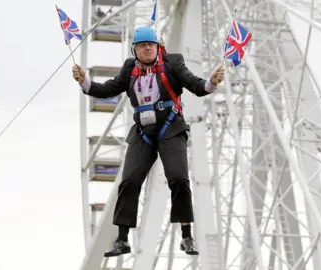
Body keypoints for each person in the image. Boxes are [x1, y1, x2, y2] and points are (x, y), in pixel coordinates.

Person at [72, 26, 224, 257]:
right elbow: (107, 89)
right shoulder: (129, 69)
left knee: (179, 178)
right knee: (129, 181)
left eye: (151, 45)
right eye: (142, 46)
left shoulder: (173, 63)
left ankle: (186, 236)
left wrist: (211, 82)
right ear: (135, 49)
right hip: (143, 132)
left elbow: (195, 84)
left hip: (170, 128)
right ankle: (122, 239)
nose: (147, 49)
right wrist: (85, 81)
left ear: (158, 46)